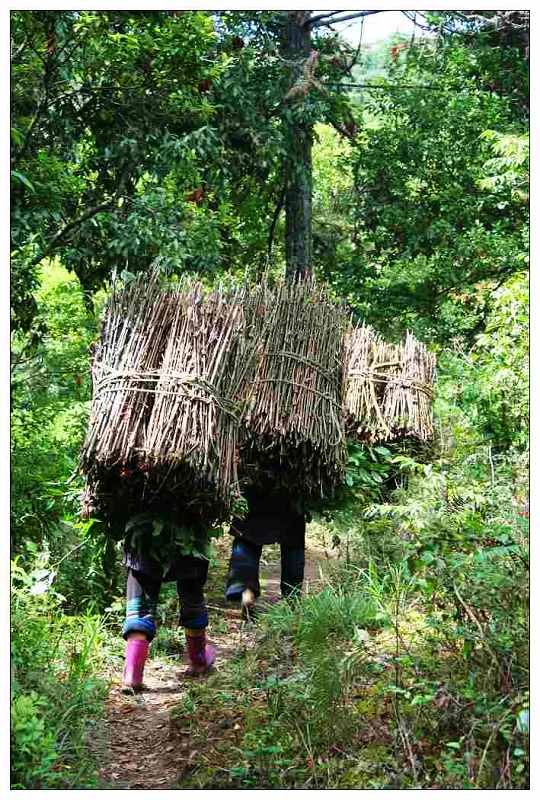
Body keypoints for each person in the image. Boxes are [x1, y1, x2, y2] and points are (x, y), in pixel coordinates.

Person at [122, 547, 215, 692]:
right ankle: (198, 660)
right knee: (192, 589)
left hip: (144, 533)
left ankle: (133, 674)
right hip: (190, 537)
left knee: (141, 590)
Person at [225, 486, 306, 619]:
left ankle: (246, 589)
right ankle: (292, 598)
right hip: (290, 485)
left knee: (247, 537)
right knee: (293, 540)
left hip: (253, 483)